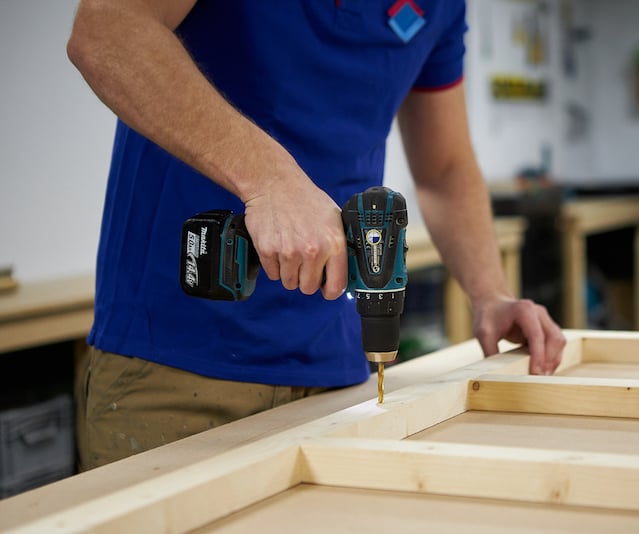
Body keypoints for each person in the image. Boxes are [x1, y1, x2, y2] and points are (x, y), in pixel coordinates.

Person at [67, 0, 565, 469]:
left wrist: (489, 293)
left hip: (337, 371)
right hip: (171, 363)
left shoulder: (440, 6)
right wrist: (269, 179)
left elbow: (444, 168)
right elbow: (108, 31)